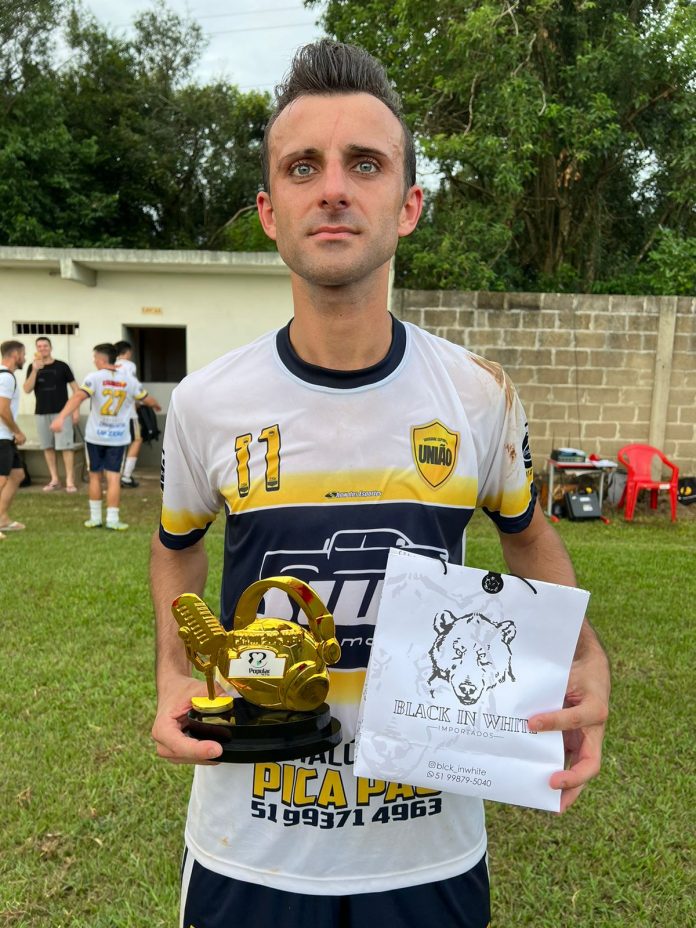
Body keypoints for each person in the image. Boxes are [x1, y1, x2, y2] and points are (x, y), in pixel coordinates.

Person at [151, 40, 610, 928]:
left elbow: (526, 535)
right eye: (303, 166)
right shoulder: (207, 402)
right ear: (269, 211)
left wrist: (584, 653)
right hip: (252, 845)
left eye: (364, 164)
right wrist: (175, 671)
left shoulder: (478, 393)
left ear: (408, 206)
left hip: (429, 846)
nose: (333, 188)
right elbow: (177, 550)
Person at [51, 343, 161, 531]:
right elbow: (147, 399)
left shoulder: (94, 378)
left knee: (95, 476)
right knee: (114, 478)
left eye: (95, 358)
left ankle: (95, 518)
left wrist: (61, 417)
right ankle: (112, 519)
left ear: (101, 360)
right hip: (118, 437)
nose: (94, 361)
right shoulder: (129, 380)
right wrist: (156, 405)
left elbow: (78, 397)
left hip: (96, 436)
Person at [22, 336, 81, 492]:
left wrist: (75, 411)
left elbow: (76, 390)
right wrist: (35, 370)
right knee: (47, 447)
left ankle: (69, 480)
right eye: (39, 346)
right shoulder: (32, 367)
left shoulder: (62, 366)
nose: (43, 349)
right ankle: (54, 480)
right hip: (41, 412)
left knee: (66, 447)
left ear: (51, 347)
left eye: (45, 346)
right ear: (36, 349)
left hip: (62, 413)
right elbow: (27, 389)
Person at [0, 340, 28, 538]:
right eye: (23, 354)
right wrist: (17, 432)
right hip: (2, 436)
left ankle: (2, 519)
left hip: (5, 436)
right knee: (1, 478)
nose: (25, 358)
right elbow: (2, 409)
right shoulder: (7, 378)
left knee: (17, 474)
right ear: (16, 355)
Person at [114, 340, 142, 488]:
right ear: (128, 352)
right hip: (128, 412)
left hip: (112, 413)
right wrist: (140, 400)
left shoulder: (111, 365)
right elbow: (132, 385)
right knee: (137, 440)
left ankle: (115, 474)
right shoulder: (129, 365)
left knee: (118, 442)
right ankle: (126, 475)